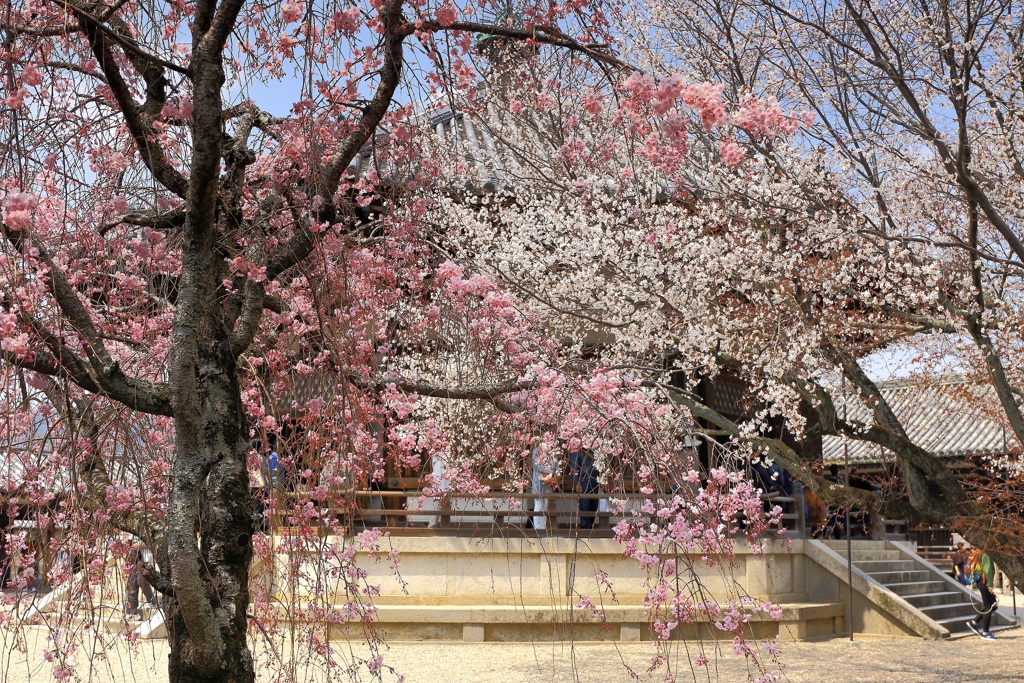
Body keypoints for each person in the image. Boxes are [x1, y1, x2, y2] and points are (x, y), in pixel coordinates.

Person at [965, 547, 998, 639]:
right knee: (989, 607)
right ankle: (985, 633)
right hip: (985, 582)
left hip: (981, 582)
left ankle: (974, 622)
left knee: (993, 606)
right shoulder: (986, 555)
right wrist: (990, 584)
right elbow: (988, 570)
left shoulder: (980, 554)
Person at [530, 445, 560, 531]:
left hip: (549, 482)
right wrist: (550, 472)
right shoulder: (536, 450)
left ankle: (543, 527)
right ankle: (537, 527)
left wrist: (553, 474)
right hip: (539, 481)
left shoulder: (553, 451)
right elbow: (537, 466)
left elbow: (556, 465)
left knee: (545, 505)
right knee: (538, 505)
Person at [569, 448, 601, 530]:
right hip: (583, 481)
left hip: (595, 481)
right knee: (584, 506)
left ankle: (590, 526)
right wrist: (577, 482)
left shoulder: (595, 450)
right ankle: (586, 528)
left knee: (594, 506)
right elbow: (574, 469)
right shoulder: (577, 451)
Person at [125, 542, 155, 620]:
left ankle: (150, 601)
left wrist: (141, 544)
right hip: (134, 554)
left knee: (141, 579)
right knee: (132, 582)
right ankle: (132, 610)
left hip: (145, 556)